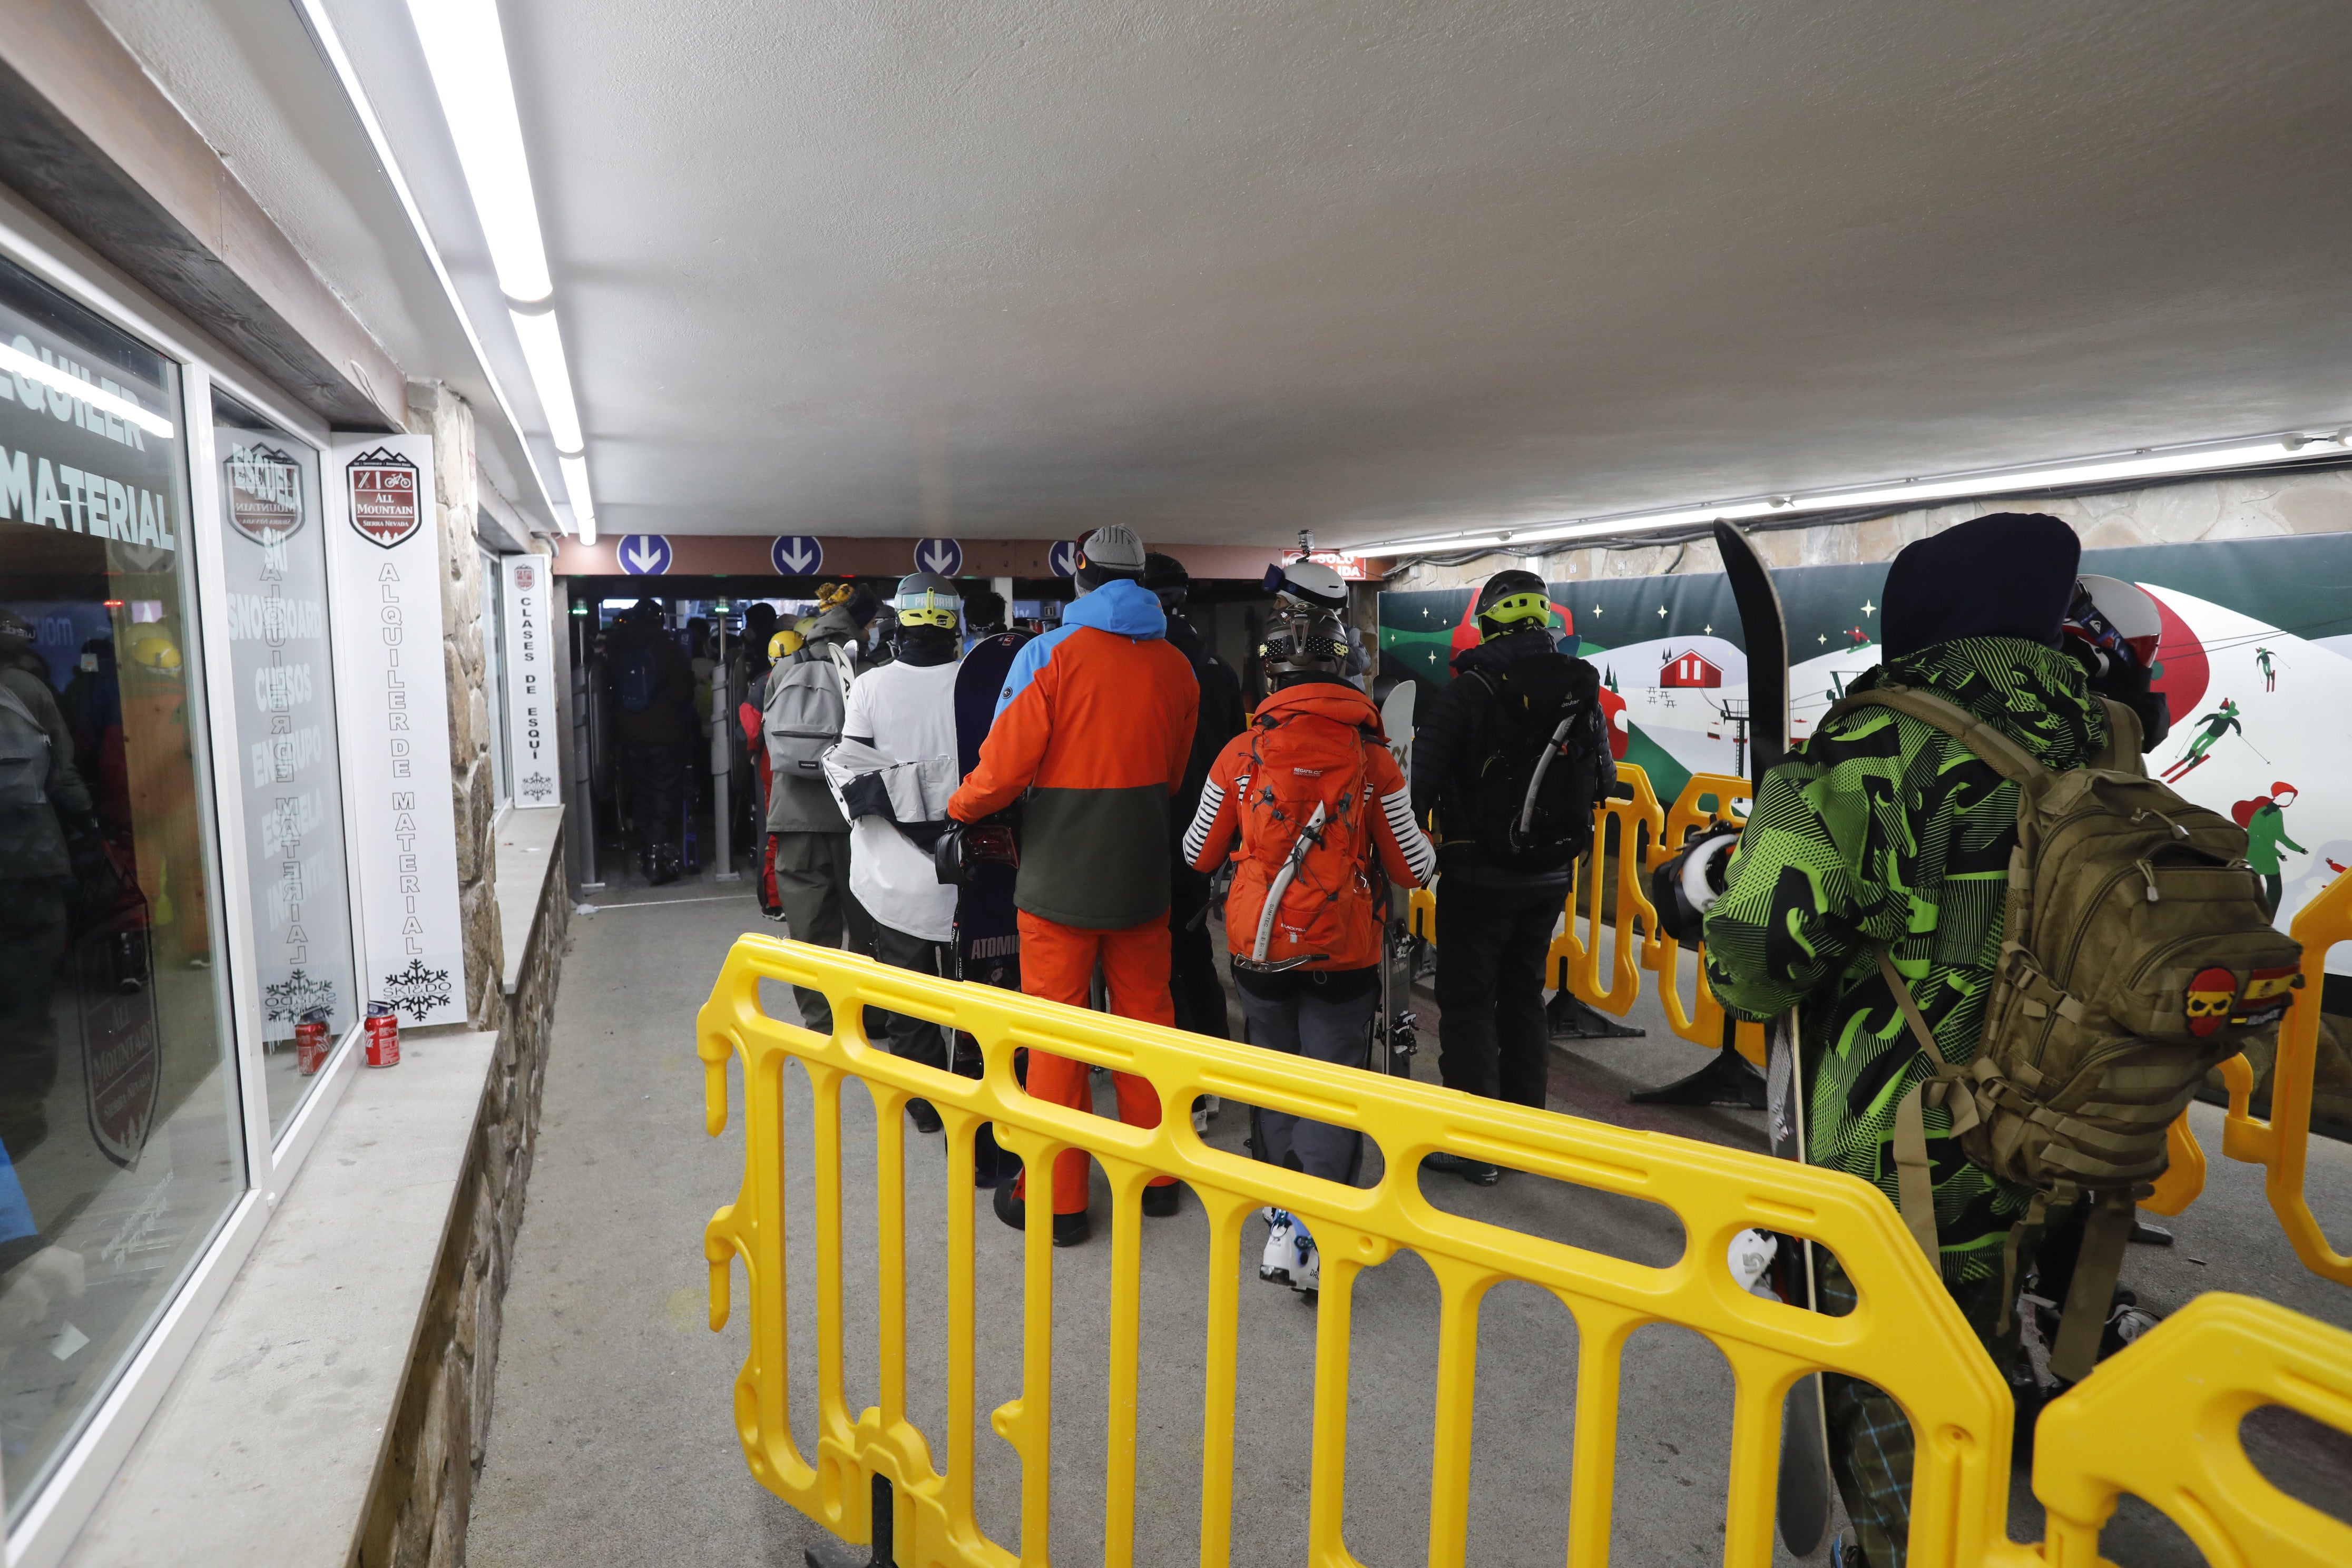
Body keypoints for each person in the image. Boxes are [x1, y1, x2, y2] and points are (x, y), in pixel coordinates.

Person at [1699, 513, 2109, 1568]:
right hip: (2064, 1129)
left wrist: (1704, 885)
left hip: (1898, 1158)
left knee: (1890, 1428)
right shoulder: (2106, 742)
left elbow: (1752, 965)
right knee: (1977, 1344)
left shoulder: (1872, 746)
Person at [946, 524, 1199, 1247]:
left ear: (1079, 578)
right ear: (1143, 579)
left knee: (1055, 1032)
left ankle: (1057, 1201)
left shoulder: (1046, 655)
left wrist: (959, 808)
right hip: (1143, 873)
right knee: (1149, 1021)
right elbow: (1176, 775)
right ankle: (1157, 1180)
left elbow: (1002, 771)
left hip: (1057, 878)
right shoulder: (1176, 665)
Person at [1183, 598, 1434, 1296]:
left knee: (1272, 1070)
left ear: (1267, 674)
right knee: (1335, 1083)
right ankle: (1316, 1232)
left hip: (1258, 947)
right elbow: (1412, 865)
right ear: (1346, 667)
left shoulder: (1240, 755)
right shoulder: (1374, 757)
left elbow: (1198, 853)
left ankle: (1276, 1210)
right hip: (1346, 952)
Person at [1409, 569, 1613, 1182]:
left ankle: (1476, 1145)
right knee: (1523, 991)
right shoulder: (1581, 687)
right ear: (1545, 619)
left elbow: (1417, 784)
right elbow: (1602, 779)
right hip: (1551, 874)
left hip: (1479, 874)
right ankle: (1529, 1133)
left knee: (1469, 1000)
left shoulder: (1470, 690)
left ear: (1488, 619)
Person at [825, 575, 966, 1134]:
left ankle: (925, 1105)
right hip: (968, 869)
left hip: (893, 873)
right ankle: (979, 1100)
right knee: (977, 994)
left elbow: (852, 768)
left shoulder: (870, 686)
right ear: (954, 620)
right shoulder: (981, 683)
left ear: (897, 620)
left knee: (907, 990)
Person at [0, 609, 95, 1157]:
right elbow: (61, 773)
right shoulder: (28, 691)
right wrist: (89, 823)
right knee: (26, 1000)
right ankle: (18, 1119)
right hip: (27, 865)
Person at [765, 582, 880, 1032]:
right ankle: (870, 1019)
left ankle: (822, 1022)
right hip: (858, 818)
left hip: (795, 818)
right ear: (866, 624)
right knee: (869, 926)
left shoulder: (786, 666)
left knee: (810, 931)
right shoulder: (871, 669)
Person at [1143, 553, 1246, 1044]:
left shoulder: (1140, 667)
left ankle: (1177, 1069)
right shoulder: (1219, 670)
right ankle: (1213, 1054)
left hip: (1146, 830)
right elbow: (1239, 758)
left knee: (1148, 953)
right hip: (1205, 836)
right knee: (1193, 944)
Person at [606, 599, 694, 885]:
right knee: (663, 794)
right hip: (665, 735)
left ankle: (645, 853)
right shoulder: (669, 650)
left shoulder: (617, 650)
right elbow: (683, 693)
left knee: (641, 794)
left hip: (628, 737)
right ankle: (659, 860)